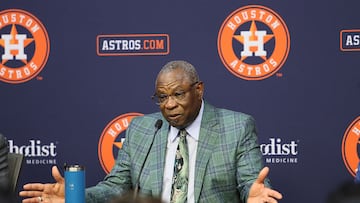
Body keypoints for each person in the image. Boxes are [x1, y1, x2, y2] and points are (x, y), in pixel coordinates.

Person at [19, 60, 282, 203]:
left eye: (178, 94)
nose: (169, 105)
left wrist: (252, 195)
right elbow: (115, 187)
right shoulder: (143, 129)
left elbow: (252, 182)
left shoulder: (236, 127)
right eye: (161, 97)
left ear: (199, 90)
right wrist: (77, 197)